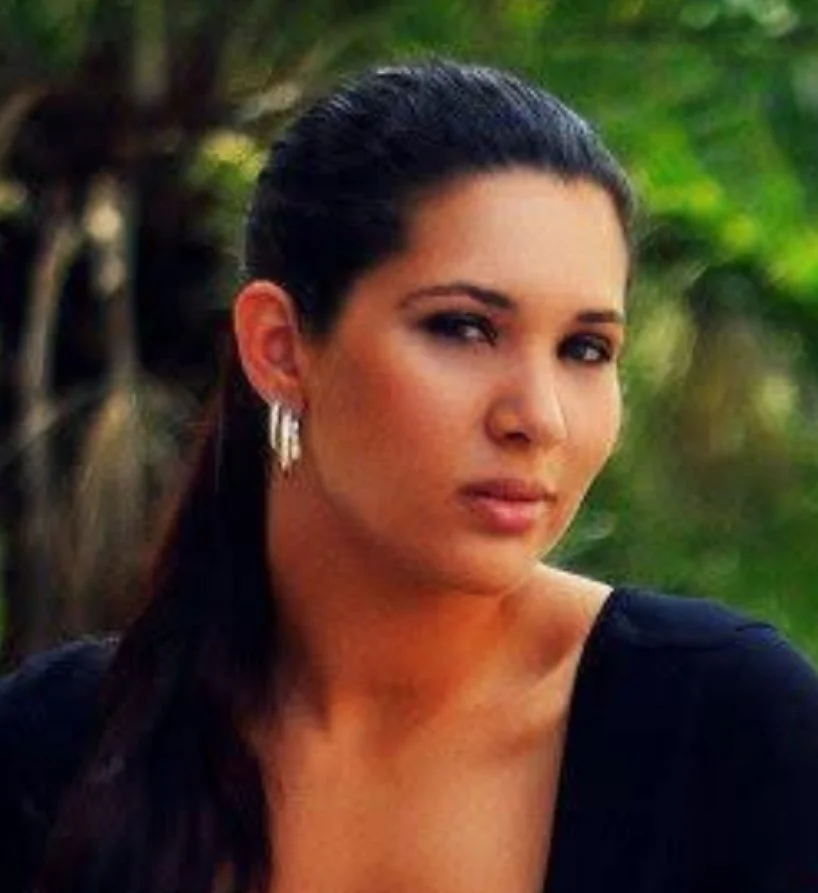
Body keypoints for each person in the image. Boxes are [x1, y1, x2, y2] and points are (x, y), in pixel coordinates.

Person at [1, 58, 817, 893]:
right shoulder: (53, 754)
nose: (539, 417)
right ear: (279, 348)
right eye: (463, 328)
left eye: (585, 348)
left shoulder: (724, 731)